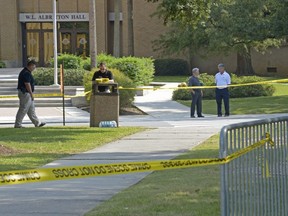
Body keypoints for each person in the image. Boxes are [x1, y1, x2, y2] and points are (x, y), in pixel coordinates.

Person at [14, 60, 46, 128]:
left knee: (31, 109)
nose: (34, 68)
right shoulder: (26, 73)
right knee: (23, 109)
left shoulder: (26, 72)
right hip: (25, 93)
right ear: (30, 65)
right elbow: (27, 84)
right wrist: (31, 94)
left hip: (26, 93)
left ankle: (37, 123)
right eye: (34, 66)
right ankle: (18, 124)